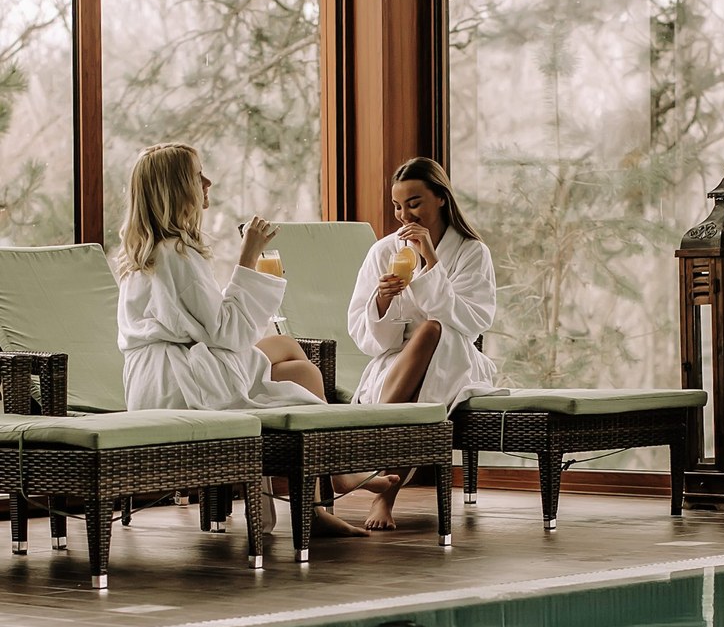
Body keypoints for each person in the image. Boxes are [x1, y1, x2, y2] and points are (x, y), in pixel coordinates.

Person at [115, 141, 367, 537]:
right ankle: (323, 492)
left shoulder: (153, 253)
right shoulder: (176, 256)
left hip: (162, 376)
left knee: (293, 357)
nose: (208, 182)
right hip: (182, 384)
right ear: (178, 189)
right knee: (300, 373)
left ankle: (325, 487)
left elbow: (211, 327)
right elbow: (227, 333)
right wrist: (248, 257)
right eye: (198, 176)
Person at [345, 157, 503, 529]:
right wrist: (381, 301)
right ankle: (384, 494)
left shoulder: (471, 251)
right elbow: (367, 336)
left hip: (455, 358)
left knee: (432, 330)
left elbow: (473, 321)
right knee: (421, 358)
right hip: (397, 364)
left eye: (413, 203)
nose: (404, 215)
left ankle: (371, 466)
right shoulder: (384, 252)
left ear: (441, 198)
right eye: (397, 206)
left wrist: (431, 261)